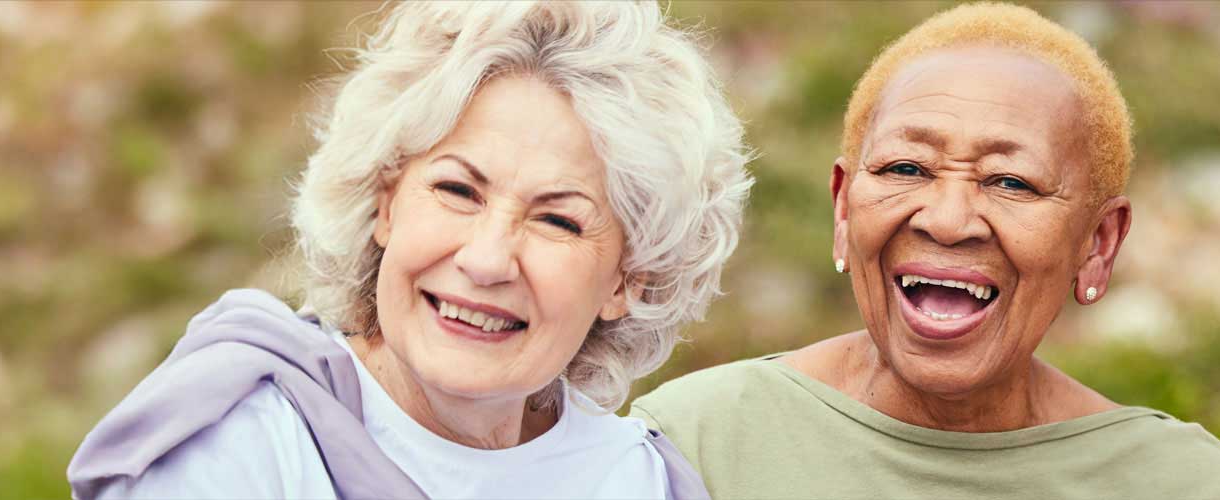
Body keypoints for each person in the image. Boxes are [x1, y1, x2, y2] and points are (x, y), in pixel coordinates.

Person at [67, 2, 752, 498]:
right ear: (385, 203)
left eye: (558, 222)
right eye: (458, 189)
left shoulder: (639, 480)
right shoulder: (239, 442)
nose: (486, 260)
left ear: (629, 280)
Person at [629, 4, 1220, 499]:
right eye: (906, 167)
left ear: (1098, 243)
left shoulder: (1179, 483)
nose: (949, 221)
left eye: (1011, 181)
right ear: (844, 208)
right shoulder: (696, 443)